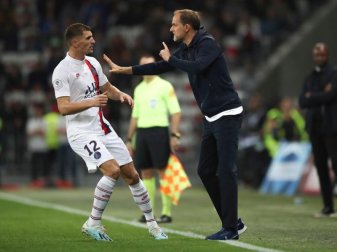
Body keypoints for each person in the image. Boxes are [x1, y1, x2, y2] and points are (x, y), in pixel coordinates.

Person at [103, 9, 247, 240]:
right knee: (205, 170)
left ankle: (230, 227)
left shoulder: (208, 44)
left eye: (174, 25)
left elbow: (197, 67)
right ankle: (233, 222)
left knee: (226, 170)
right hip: (212, 117)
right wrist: (125, 70)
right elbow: (159, 67)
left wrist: (172, 59)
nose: (171, 29)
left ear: (187, 27)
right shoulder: (188, 49)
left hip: (228, 113)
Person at [51, 23, 168, 241]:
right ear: (75, 42)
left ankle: (153, 225)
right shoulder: (62, 70)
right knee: (112, 171)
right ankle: (93, 222)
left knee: (132, 175)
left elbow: (108, 90)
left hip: (102, 127)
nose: (93, 41)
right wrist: (91, 101)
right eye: (88, 38)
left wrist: (121, 95)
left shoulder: (93, 63)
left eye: (92, 36)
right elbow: (63, 107)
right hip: (81, 133)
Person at [125, 55, 181, 224]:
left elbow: (176, 112)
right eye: (143, 66)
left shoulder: (165, 86)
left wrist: (174, 135)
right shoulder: (139, 88)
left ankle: (166, 213)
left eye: (149, 65)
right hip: (142, 132)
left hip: (160, 132)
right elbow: (134, 116)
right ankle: (148, 213)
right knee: (145, 173)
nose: (146, 69)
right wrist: (129, 139)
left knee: (163, 171)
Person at [299, 42, 337, 217]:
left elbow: (331, 95)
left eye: (322, 55)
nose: (319, 58)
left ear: (327, 56)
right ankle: (328, 207)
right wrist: (321, 95)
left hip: (331, 127)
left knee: (335, 164)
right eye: (317, 55)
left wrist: (312, 96)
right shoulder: (310, 76)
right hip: (315, 128)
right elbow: (302, 101)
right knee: (321, 166)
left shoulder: (334, 74)